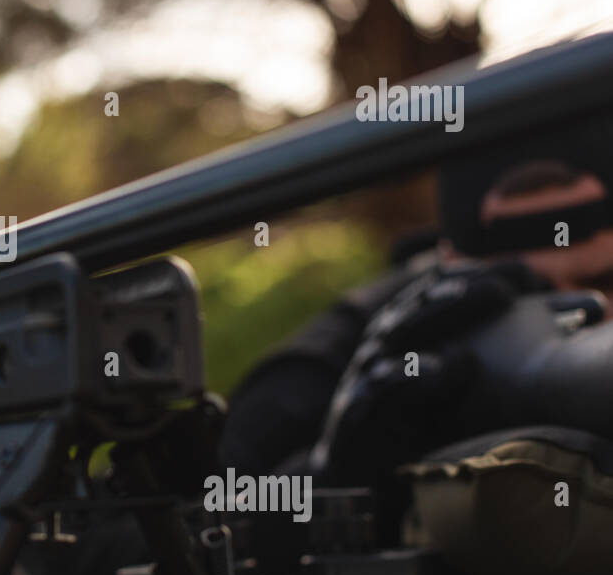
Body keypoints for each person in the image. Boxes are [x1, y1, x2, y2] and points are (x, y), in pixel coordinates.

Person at [218, 114, 613, 481]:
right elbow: (228, 504)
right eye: (532, 291)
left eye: (601, 282)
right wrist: (342, 471)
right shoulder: (345, 355)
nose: (577, 312)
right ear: (451, 263)